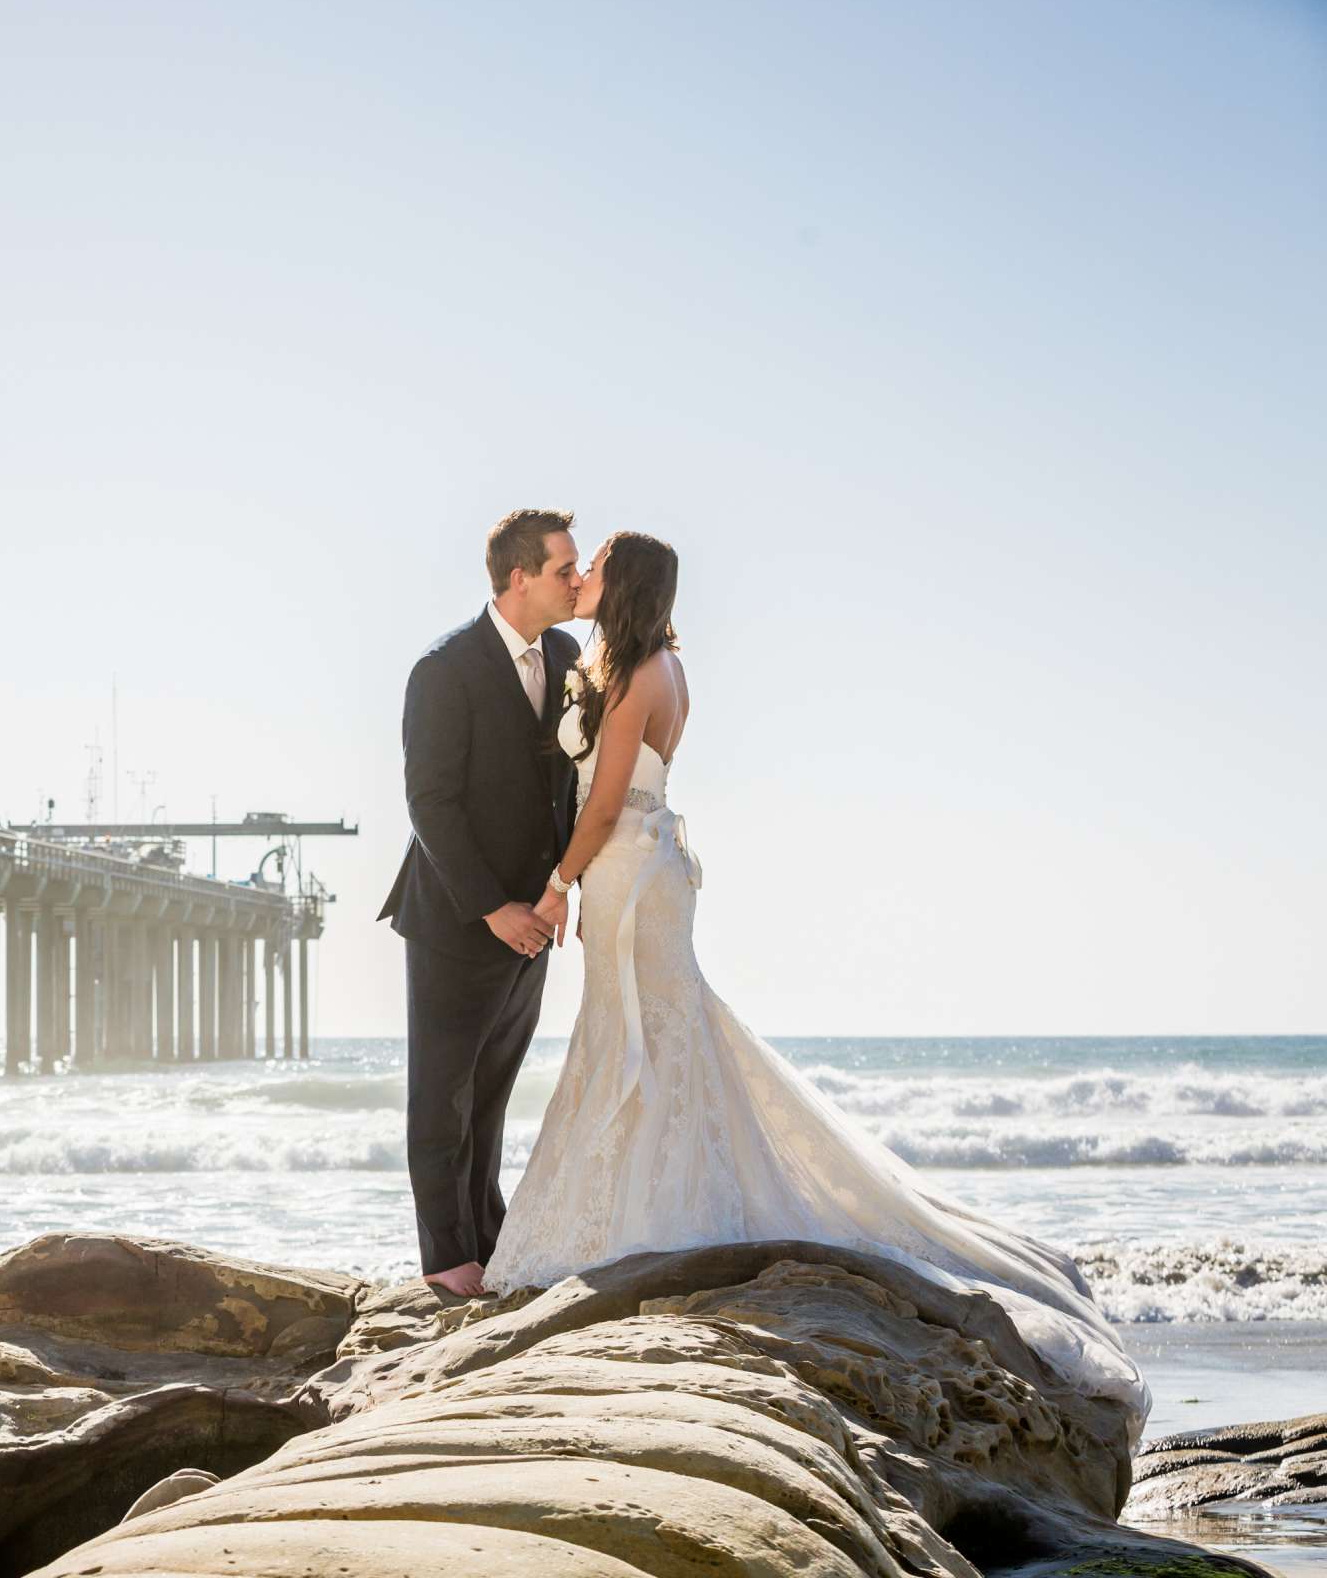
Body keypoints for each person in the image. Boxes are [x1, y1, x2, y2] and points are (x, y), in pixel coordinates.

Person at [480, 530, 1148, 1420]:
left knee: (640, 1035)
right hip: (646, 871)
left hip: (627, 875)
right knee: (655, 1036)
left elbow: (604, 802)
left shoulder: (642, 678)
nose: (584, 574)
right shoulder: (656, 670)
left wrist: (557, 884)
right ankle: (638, 1213)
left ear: (626, 580)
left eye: (596, 562)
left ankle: (642, 1224)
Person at [379, 508, 583, 1297]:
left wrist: (558, 889)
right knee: (443, 1093)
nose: (576, 583)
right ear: (518, 576)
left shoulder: (566, 656)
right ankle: (445, 1260)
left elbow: (562, 786)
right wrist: (494, 907)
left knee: (493, 1091)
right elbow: (429, 803)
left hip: (537, 919)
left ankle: (488, 1240)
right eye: (564, 569)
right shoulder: (445, 668)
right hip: (457, 918)